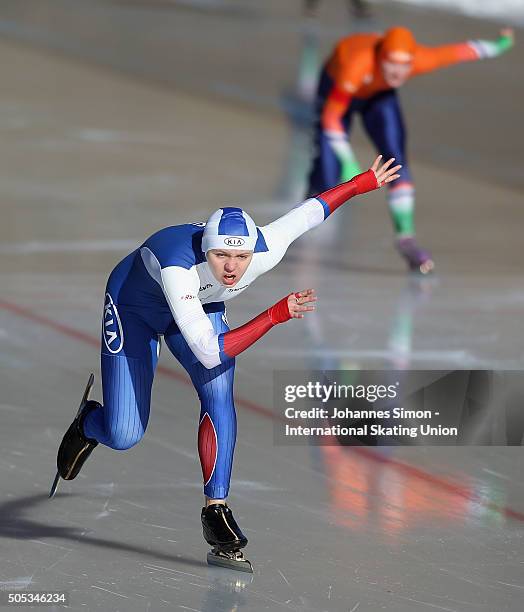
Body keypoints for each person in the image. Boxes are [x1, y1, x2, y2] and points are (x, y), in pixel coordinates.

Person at [50, 155, 401, 571]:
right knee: (124, 433)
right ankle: (91, 421)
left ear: (254, 249)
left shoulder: (265, 247)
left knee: (218, 393)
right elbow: (210, 349)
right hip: (135, 306)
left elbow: (310, 212)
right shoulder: (179, 264)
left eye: (240, 258)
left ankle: (215, 509)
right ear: (206, 249)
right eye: (220, 257)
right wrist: (274, 315)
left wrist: (364, 181)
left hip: (201, 306)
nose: (232, 268)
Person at [306, 26, 515, 273]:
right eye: (392, 64)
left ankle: (406, 238)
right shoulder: (358, 64)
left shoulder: (420, 60)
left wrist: (499, 45)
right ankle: (311, 197)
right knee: (329, 174)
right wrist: (348, 160)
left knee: (398, 162)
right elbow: (332, 118)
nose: (399, 72)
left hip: (379, 93)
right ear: (381, 57)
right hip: (338, 85)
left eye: (405, 65)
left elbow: (461, 51)